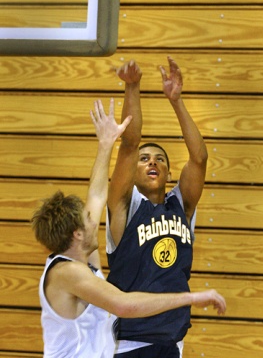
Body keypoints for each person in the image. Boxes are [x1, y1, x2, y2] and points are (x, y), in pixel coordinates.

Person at [31, 98, 226, 358]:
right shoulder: (67, 273)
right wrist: (190, 298)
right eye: (88, 220)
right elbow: (124, 305)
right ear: (77, 233)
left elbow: (97, 194)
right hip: (131, 344)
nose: (95, 220)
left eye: (158, 159)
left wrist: (105, 144)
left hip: (163, 342)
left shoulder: (86, 266)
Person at [106, 57, 220, 358]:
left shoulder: (181, 206)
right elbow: (129, 145)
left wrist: (177, 102)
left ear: (169, 172)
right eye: (145, 160)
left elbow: (199, 158)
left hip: (173, 340)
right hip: (129, 343)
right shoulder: (124, 205)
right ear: (133, 171)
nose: (152, 162)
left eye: (159, 159)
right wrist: (133, 87)